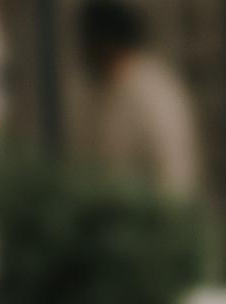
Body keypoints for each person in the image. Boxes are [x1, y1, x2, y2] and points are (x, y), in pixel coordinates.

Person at [76, 0, 203, 199]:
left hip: (152, 214)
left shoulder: (153, 95)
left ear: (105, 44)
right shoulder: (102, 92)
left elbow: (174, 180)